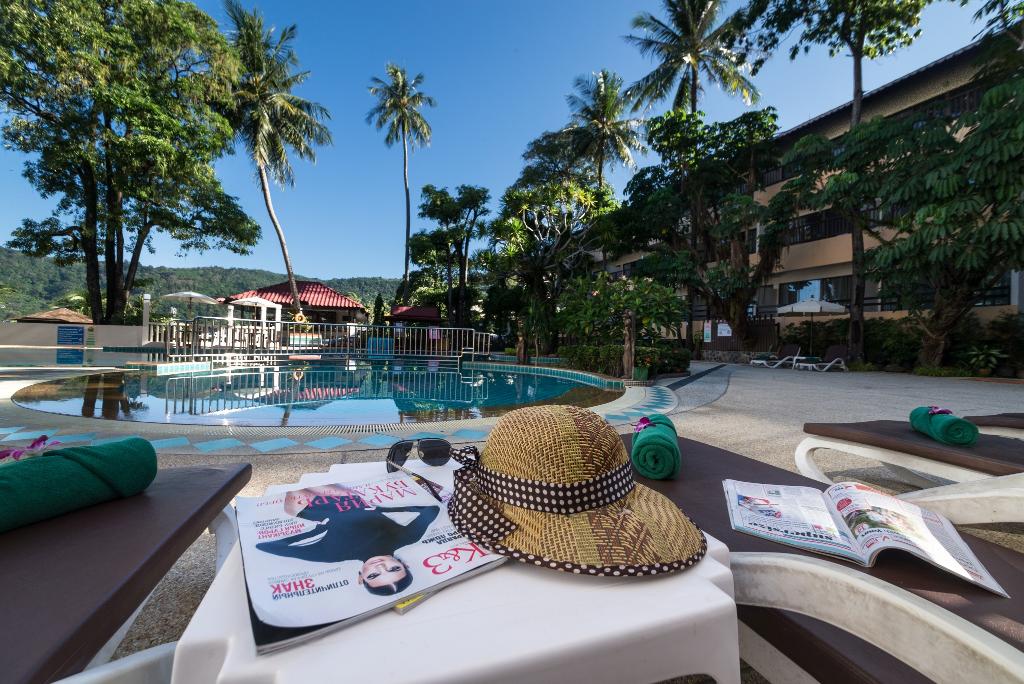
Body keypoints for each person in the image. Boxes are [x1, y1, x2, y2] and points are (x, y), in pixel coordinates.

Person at [256, 484, 439, 595]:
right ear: (405, 564)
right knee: (330, 491)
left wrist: (318, 529)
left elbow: (269, 546)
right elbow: (431, 510)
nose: (380, 567)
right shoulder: (407, 537)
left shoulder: (333, 555)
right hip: (349, 499)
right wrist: (381, 509)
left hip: (313, 509)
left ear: (361, 577)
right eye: (394, 569)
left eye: (373, 575)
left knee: (294, 500)